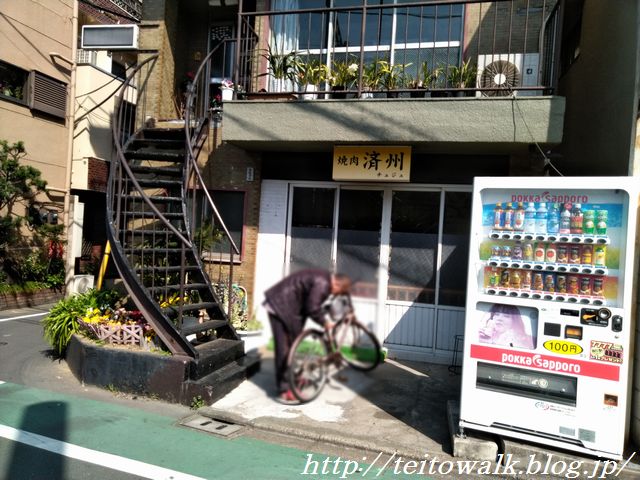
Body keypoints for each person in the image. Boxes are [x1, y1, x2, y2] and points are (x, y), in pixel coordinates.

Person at [263, 269, 351, 402]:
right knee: (284, 348)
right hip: (279, 306)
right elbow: (312, 307)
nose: (336, 294)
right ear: (337, 285)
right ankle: (285, 388)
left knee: (292, 345)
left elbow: (309, 302)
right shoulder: (323, 283)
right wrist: (324, 322)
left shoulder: (324, 279)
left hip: (288, 306)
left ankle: (293, 378)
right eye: (339, 292)